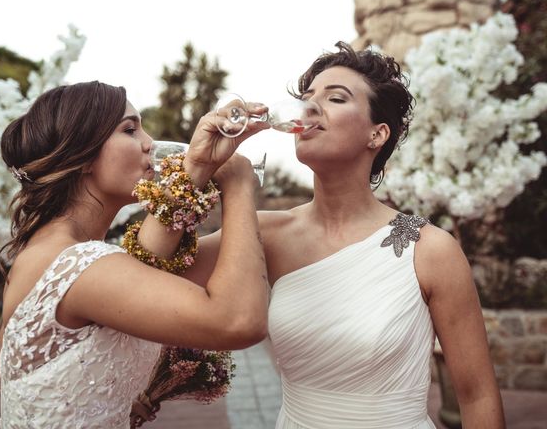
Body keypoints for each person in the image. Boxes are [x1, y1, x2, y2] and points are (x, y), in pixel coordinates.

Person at [187, 42, 505, 428]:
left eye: (336, 98)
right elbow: (160, 269)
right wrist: (197, 169)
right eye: (307, 98)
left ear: (377, 134)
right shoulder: (266, 232)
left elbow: (478, 396)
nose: (311, 108)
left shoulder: (430, 250)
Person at [0, 81, 271, 428]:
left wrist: (101, 402)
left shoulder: (45, 253)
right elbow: (239, 322)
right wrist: (237, 183)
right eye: (130, 130)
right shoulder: (80, 265)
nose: (149, 143)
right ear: (83, 155)